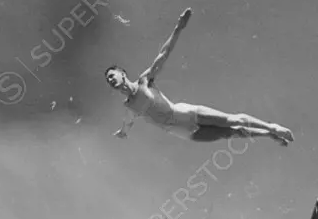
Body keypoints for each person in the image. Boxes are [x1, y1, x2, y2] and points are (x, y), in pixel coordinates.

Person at [105, 8, 293, 145]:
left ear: (122, 73)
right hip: (181, 131)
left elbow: (163, 54)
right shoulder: (128, 105)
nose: (111, 80)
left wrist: (178, 28)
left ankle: (272, 128)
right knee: (229, 134)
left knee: (231, 120)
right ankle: (269, 135)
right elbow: (128, 122)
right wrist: (123, 132)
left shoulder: (144, 81)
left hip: (184, 113)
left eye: (112, 75)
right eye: (108, 80)